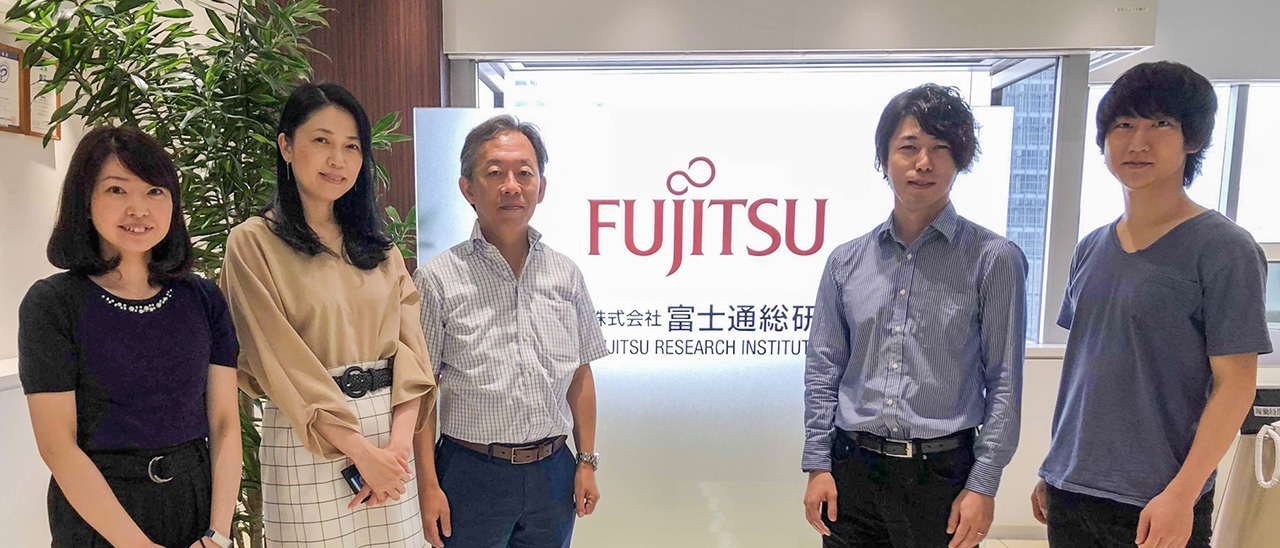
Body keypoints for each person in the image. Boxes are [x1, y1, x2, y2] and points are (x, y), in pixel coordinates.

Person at [1031, 61, 1272, 548]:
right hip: (1071, 491)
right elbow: (1090, 374)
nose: (1138, 142)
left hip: (1157, 499)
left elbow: (1236, 384)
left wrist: (1182, 495)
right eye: (1123, 125)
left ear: (1192, 140)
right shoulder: (1092, 247)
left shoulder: (1224, 249)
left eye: (1161, 124)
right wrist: (1055, 467)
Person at [802, 84, 1027, 548]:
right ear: (884, 158)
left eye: (940, 148)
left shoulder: (993, 259)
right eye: (909, 147)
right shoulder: (846, 262)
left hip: (941, 477)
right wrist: (818, 463)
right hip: (852, 470)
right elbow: (824, 369)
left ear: (959, 160)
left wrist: (983, 483)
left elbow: (1004, 379)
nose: (923, 163)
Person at [220, 83, 437, 547]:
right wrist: (360, 452)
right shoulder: (253, 244)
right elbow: (280, 360)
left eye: (351, 146)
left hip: (388, 437)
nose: (337, 159)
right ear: (286, 146)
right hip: (309, 437)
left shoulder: (380, 249)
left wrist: (397, 449)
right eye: (322, 140)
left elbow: (412, 353)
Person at [19, 125, 241, 548]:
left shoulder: (202, 298)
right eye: (117, 190)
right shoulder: (52, 303)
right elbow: (57, 446)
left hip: (194, 505)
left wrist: (217, 535)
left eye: (154, 191)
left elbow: (225, 424)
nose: (138, 208)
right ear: (85, 199)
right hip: (100, 514)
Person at [412, 115, 609, 547]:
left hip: (553, 472)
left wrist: (586, 462)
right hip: (470, 473)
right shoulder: (437, 279)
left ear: (542, 186)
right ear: (468, 188)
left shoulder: (566, 274)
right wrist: (427, 486)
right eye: (495, 173)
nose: (511, 186)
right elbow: (421, 389)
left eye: (524, 173)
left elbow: (580, 375)